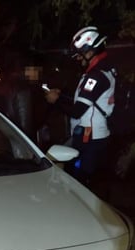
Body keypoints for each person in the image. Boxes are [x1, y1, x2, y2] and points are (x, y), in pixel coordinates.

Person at [45, 26, 116, 186]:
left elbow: (77, 111)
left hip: (90, 137)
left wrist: (55, 101)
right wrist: (61, 96)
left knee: (82, 184)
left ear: (90, 51)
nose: (78, 59)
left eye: (79, 54)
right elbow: (87, 102)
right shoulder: (101, 70)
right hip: (92, 135)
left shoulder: (96, 75)